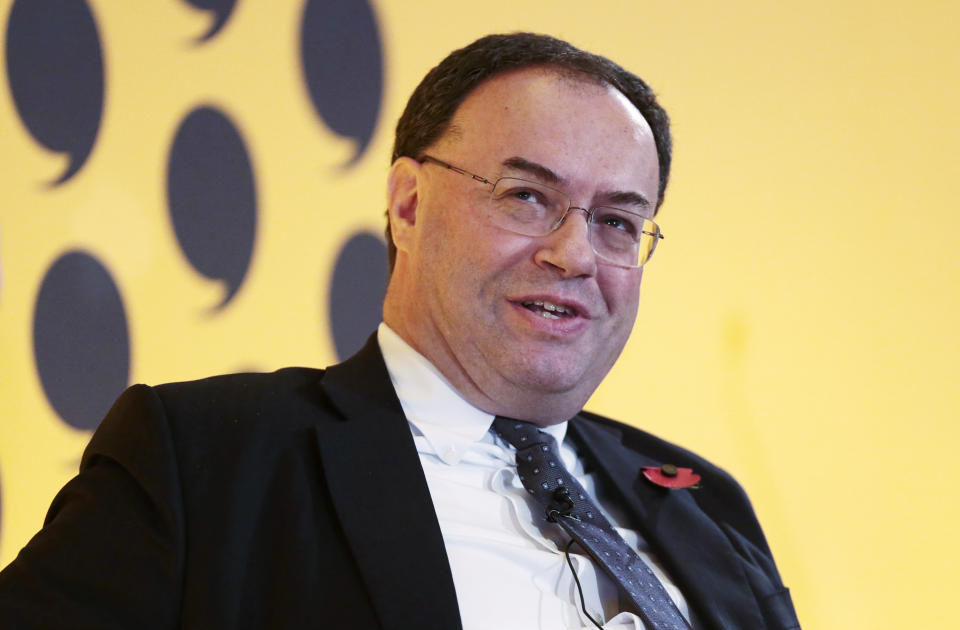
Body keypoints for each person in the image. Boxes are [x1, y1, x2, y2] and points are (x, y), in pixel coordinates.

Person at [0, 33, 800, 629]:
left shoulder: (704, 505)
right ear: (409, 205)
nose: (573, 253)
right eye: (526, 196)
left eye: (619, 222)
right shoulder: (208, 458)